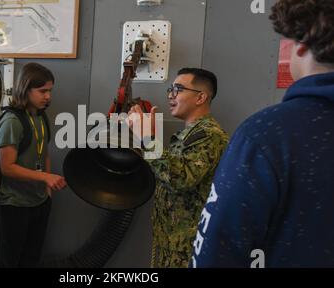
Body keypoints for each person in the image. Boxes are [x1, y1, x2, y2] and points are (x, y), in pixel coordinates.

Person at [191, 0, 334, 268]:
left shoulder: (266, 135)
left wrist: (145, 142)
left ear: (300, 47)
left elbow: (218, 247)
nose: (172, 97)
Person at [129, 68, 229, 267]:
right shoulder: (189, 134)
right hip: (170, 239)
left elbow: (180, 178)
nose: (171, 95)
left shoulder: (210, 134)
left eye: (178, 89)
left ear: (201, 97)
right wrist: (145, 138)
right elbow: (167, 171)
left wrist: (148, 139)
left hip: (187, 246)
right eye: (170, 89)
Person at [0, 62, 67, 268]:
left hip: (39, 202)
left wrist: (46, 191)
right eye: (42, 91)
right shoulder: (12, 121)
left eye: (50, 91)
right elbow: (7, 167)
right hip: (14, 205)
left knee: (31, 260)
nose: (48, 96)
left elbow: (43, 153)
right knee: (10, 262)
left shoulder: (41, 117)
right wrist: (46, 177)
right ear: (25, 89)